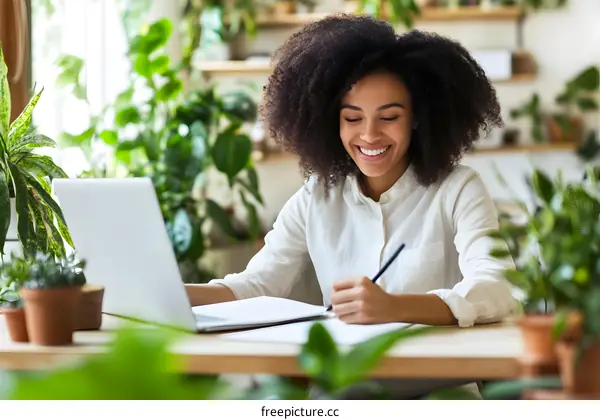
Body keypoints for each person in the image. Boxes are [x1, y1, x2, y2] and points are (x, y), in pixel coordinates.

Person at [186, 14, 517, 330]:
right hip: (346, 381)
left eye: (389, 118)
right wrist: (171, 295)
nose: (370, 135)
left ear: (417, 119)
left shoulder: (457, 189)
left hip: (441, 383)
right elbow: (254, 285)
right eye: (353, 118)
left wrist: (395, 307)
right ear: (333, 121)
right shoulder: (316, 197)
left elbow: (499, 286)